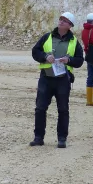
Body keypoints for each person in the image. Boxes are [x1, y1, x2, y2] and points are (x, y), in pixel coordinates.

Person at [30, 12, 84, 148]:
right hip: (46, 78)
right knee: (40, 108)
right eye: (61, 19)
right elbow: (35, 52)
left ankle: (61, 139)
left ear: (70, 25)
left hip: (63, 80)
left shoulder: (74, 42)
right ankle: (38, 137)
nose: (61, 22)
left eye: (65, 21)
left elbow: (79, 61)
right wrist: (44, 56)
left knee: (63, 110)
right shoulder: (46, 37)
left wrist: (69, 60)